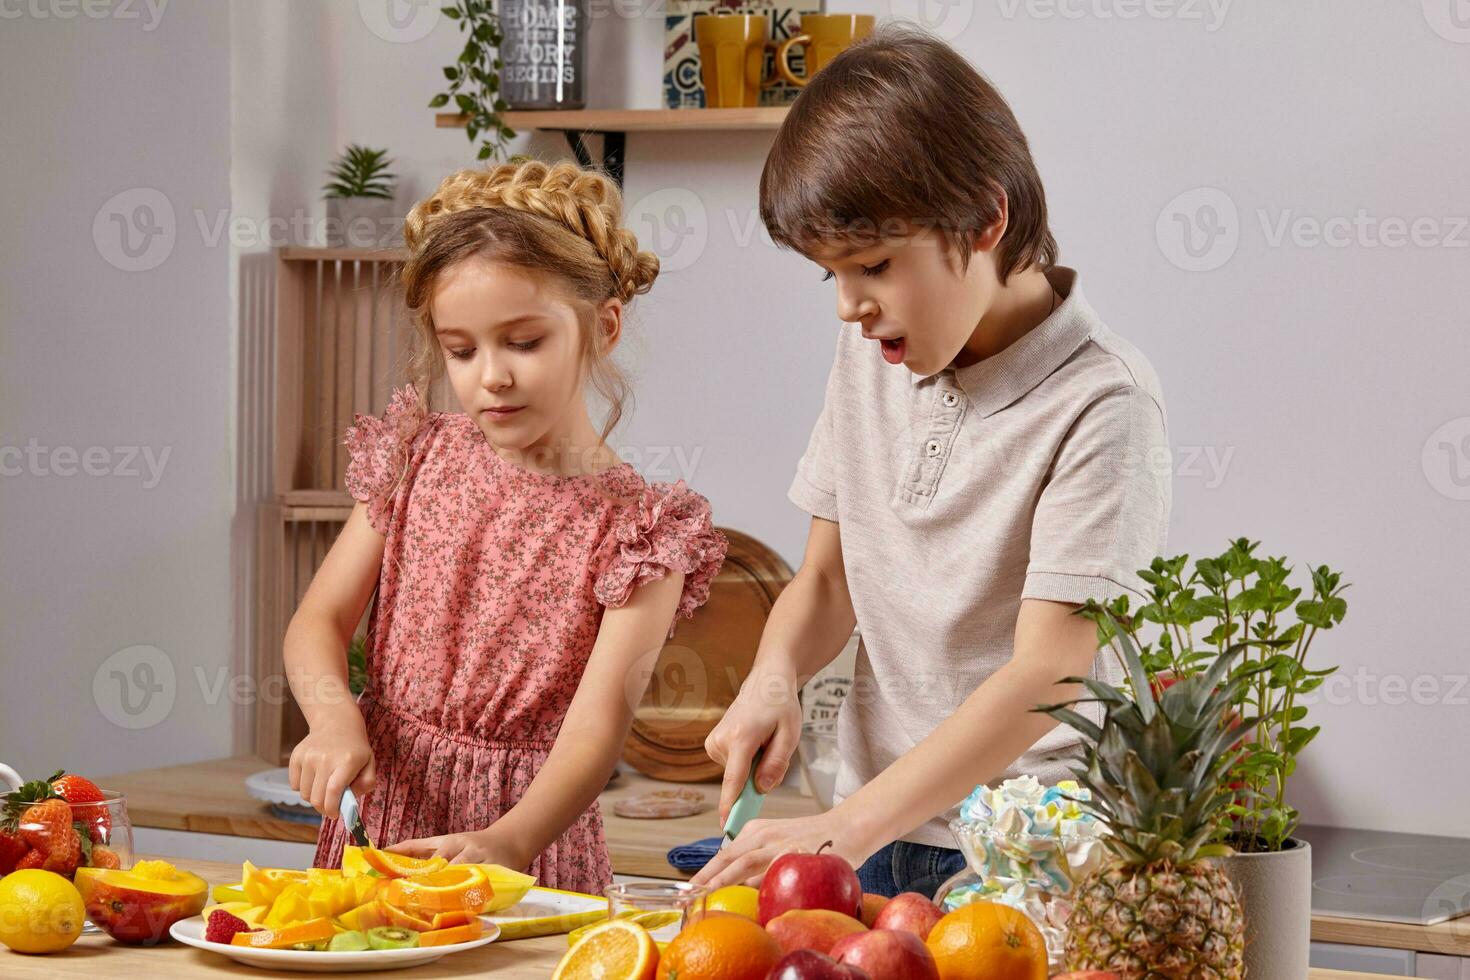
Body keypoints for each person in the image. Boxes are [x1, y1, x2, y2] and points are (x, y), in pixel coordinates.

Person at [692, 25, 1170, 898]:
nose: (848, 307)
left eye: (872, 265)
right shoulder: (875, 355)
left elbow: (1047, 673)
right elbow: (828, 584)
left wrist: (844, 825)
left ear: (986, 217)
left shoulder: (1103, 404)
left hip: (1028, 857)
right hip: (871, 831)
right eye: (829, 275)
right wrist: (774, 676)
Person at [284, 160, 728, 895]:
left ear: (603, 327)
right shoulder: (417, 458)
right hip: (387, 815)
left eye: (523, 342)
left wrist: (509, 839)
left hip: (525, 844)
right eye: (461, 351)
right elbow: (318, 620)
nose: (491, 374)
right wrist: (332, 719)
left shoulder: (642, 534)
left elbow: (596, 733)